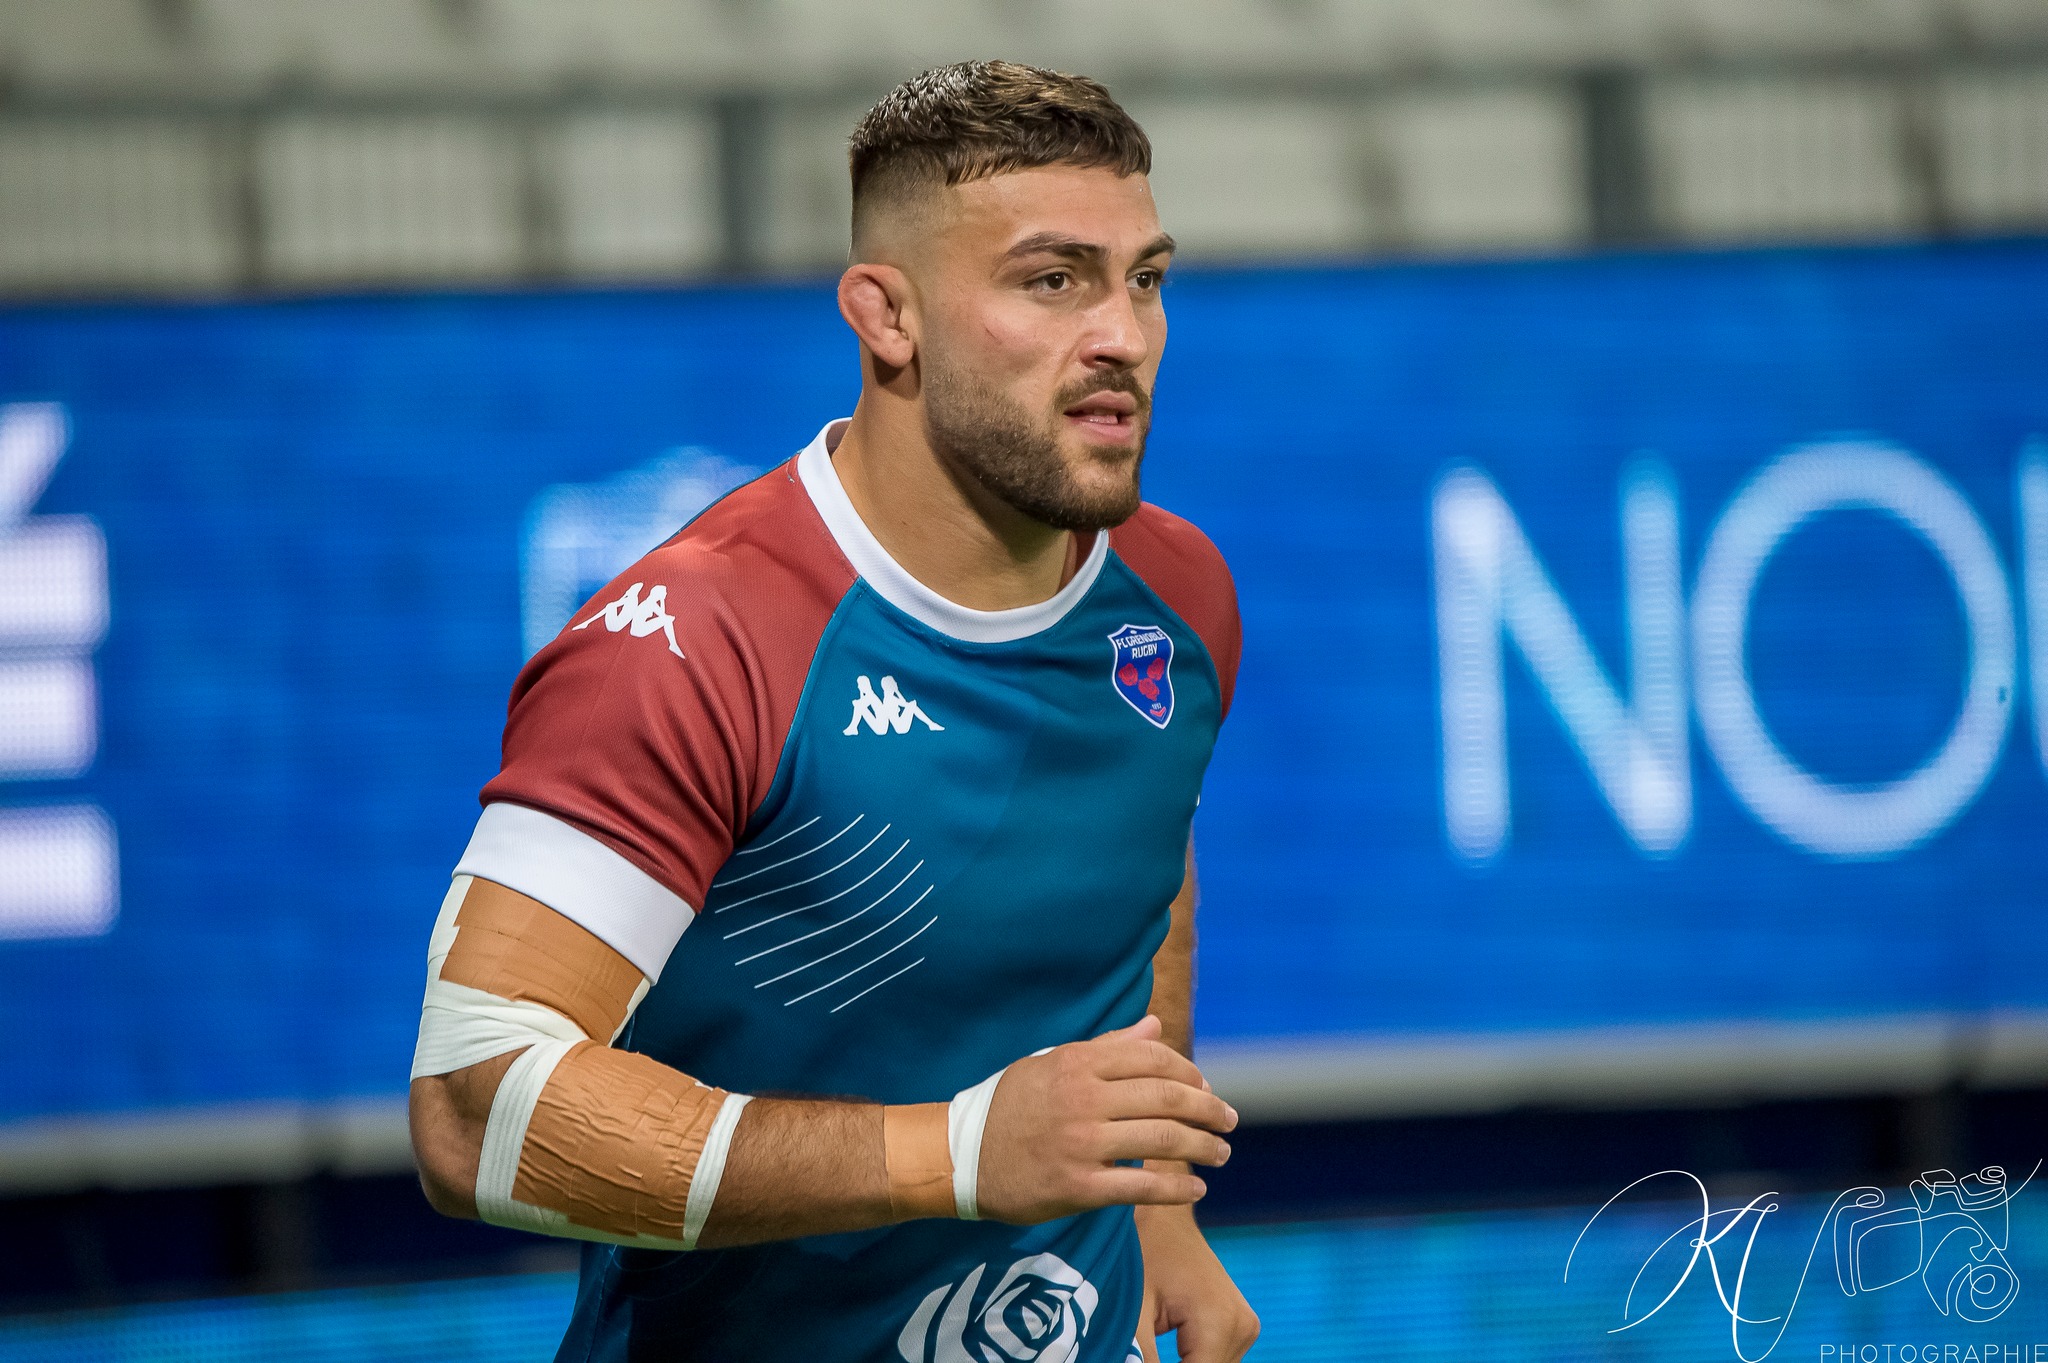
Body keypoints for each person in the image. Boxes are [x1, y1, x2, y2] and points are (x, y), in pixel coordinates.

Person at [407, 59, 1259, 1363]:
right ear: (888, 317)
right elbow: (475, 1108)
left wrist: (1151, 1207)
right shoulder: (697, 638)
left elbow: (1142, 864)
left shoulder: (1179, 595)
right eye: (1053, 280)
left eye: (1144, 278)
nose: (1124, 337)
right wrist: (960, 1154)